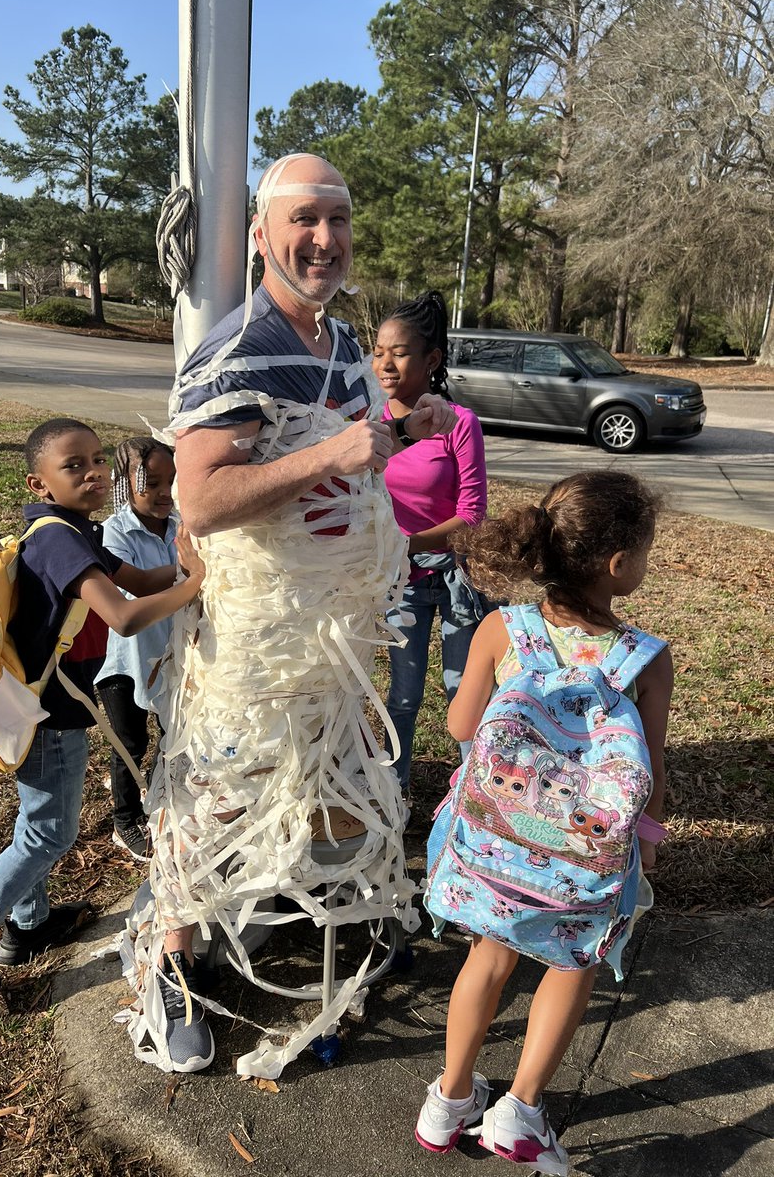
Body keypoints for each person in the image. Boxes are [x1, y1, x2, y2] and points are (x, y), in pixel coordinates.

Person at [119, 152, 459, 1077]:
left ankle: (311, 910)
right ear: (261, 234)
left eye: (338, 220)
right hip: (255, 646)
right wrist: (334, 455)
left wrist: (401, 435)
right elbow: (200, 501)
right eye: (303, 219)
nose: (324, 238)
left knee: (329, 781)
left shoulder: (343, 345)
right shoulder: (234, 348)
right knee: (212, 796)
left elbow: (349, 464)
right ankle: (171, 963)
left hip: (335, 637)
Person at [0, 418, 204, 1005]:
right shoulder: (57, 539)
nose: (93, 473)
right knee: (48, 834)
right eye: (73, 465)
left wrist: (189, 565)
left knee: (35, 820)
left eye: (97, 460)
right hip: (51, 715)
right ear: (39, 484)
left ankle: (29, 924)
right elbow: (124, 614)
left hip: (39, 704)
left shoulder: (76, 531)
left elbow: (137, 578)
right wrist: (197, 585)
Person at [414, 470, 673, 1174]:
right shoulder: (645, 658)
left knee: (486, 958)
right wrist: (646, 849)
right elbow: (648, 771)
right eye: (644, 552)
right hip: (582, 863)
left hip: (493, 849)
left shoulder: (504, 628)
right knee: (568, 964)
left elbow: (462, 724)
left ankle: (448, 1101)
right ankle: (522, 1115)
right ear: (619, 566)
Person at [373, 289, 488, 795]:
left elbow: (472, 515)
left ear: (432, 359)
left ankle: (475, 798)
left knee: (464, 694)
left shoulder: (459, 424)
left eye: (398, 352)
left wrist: (410, 542)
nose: (386, 363)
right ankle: (392, 796)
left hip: (458, 579)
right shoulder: (369, 424)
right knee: (403, 695)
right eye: (377, 352)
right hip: (401, 581)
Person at [95, 437, 178, 862]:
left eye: (171, 481)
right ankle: (125, 819)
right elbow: (127, 593)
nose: (165, 493)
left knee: (174, 734)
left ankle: (164, 803)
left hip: (175, 655)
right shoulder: (114, 532)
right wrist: (190, 572)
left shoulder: (182, 524)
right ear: (125, 485)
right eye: (152, 483)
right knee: (129, 743)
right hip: (125, 662)